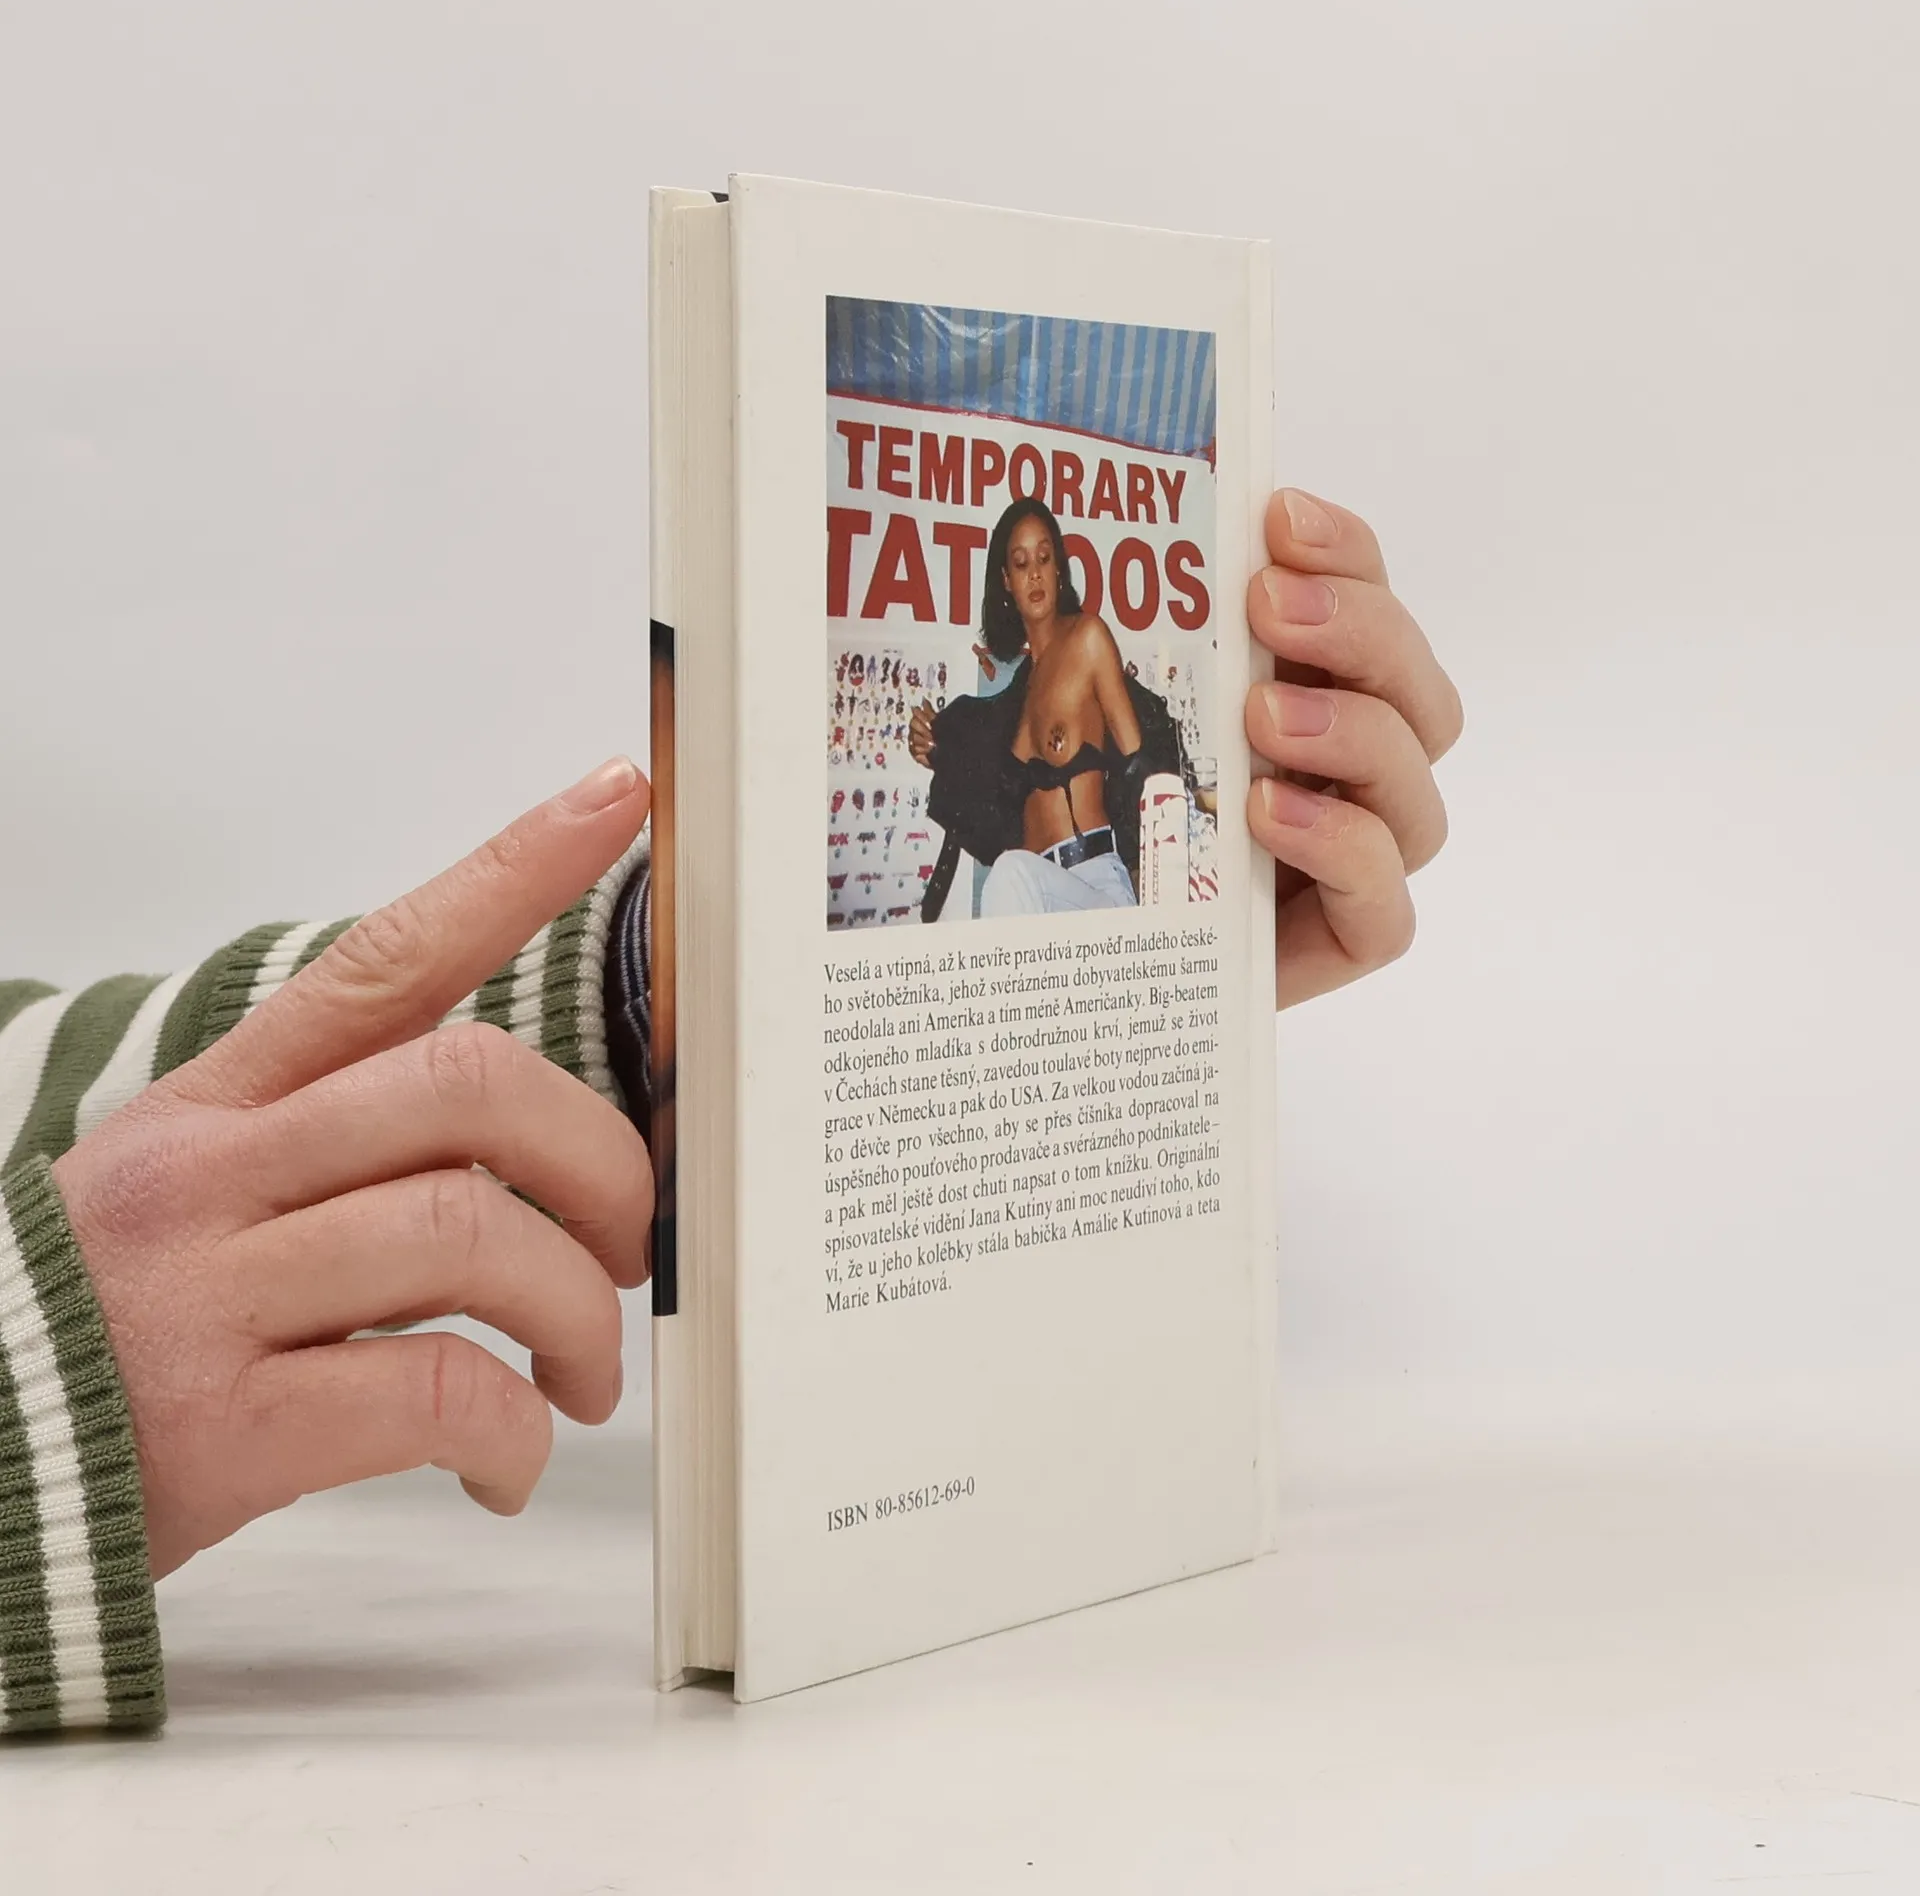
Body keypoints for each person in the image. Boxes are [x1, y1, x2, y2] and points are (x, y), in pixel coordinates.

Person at [0, 486, 1460, 1737]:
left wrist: (674, 991)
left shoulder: (1082, 653)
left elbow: (56, 1081)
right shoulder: (1004, 688)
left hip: (1080, 893)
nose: (1030, 581)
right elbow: (971, 809)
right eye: (1011, 563)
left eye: (1043, 560)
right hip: (1023, 889)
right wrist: (35, 1389)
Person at [908, 497, 1152, 916]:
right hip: (1036, 894)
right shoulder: (1015, 695)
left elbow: (1140, 770)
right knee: (1010, 874)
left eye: (1044, 557)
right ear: (1006, 580)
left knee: (1009, 874)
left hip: (1095, 883)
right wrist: (936, 751)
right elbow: (988, 807)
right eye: (1021, 564)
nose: (1035, 572)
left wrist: (1147, 874)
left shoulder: (1087, 638)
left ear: (1058, 568)